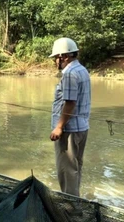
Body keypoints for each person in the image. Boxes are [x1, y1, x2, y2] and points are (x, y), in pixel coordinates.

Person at [49, 37, 91, 197]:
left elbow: (70, 103)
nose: (55, 62)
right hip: (81, 129)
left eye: (55, 58)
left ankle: (69, 209)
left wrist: (59, 127)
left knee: (67, 172)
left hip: (69, 130)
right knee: (75, 170)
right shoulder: (82, 70)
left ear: (63, 57)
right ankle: (76, 204)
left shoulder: (70, 74)